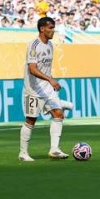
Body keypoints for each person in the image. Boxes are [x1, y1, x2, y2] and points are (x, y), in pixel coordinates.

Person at [19, 17, 72, 162]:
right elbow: (32, 69)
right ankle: (23, 153)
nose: (53, 31)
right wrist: (50, 79)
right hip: (33, 90)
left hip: (47, 89)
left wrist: (51, 80)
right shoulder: (34, 45)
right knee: (31, 120)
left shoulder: (50, 45)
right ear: (42, 29)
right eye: (50, 28)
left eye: (53, 27)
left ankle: (54, 149)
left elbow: (45, 68)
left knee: (59, 114)